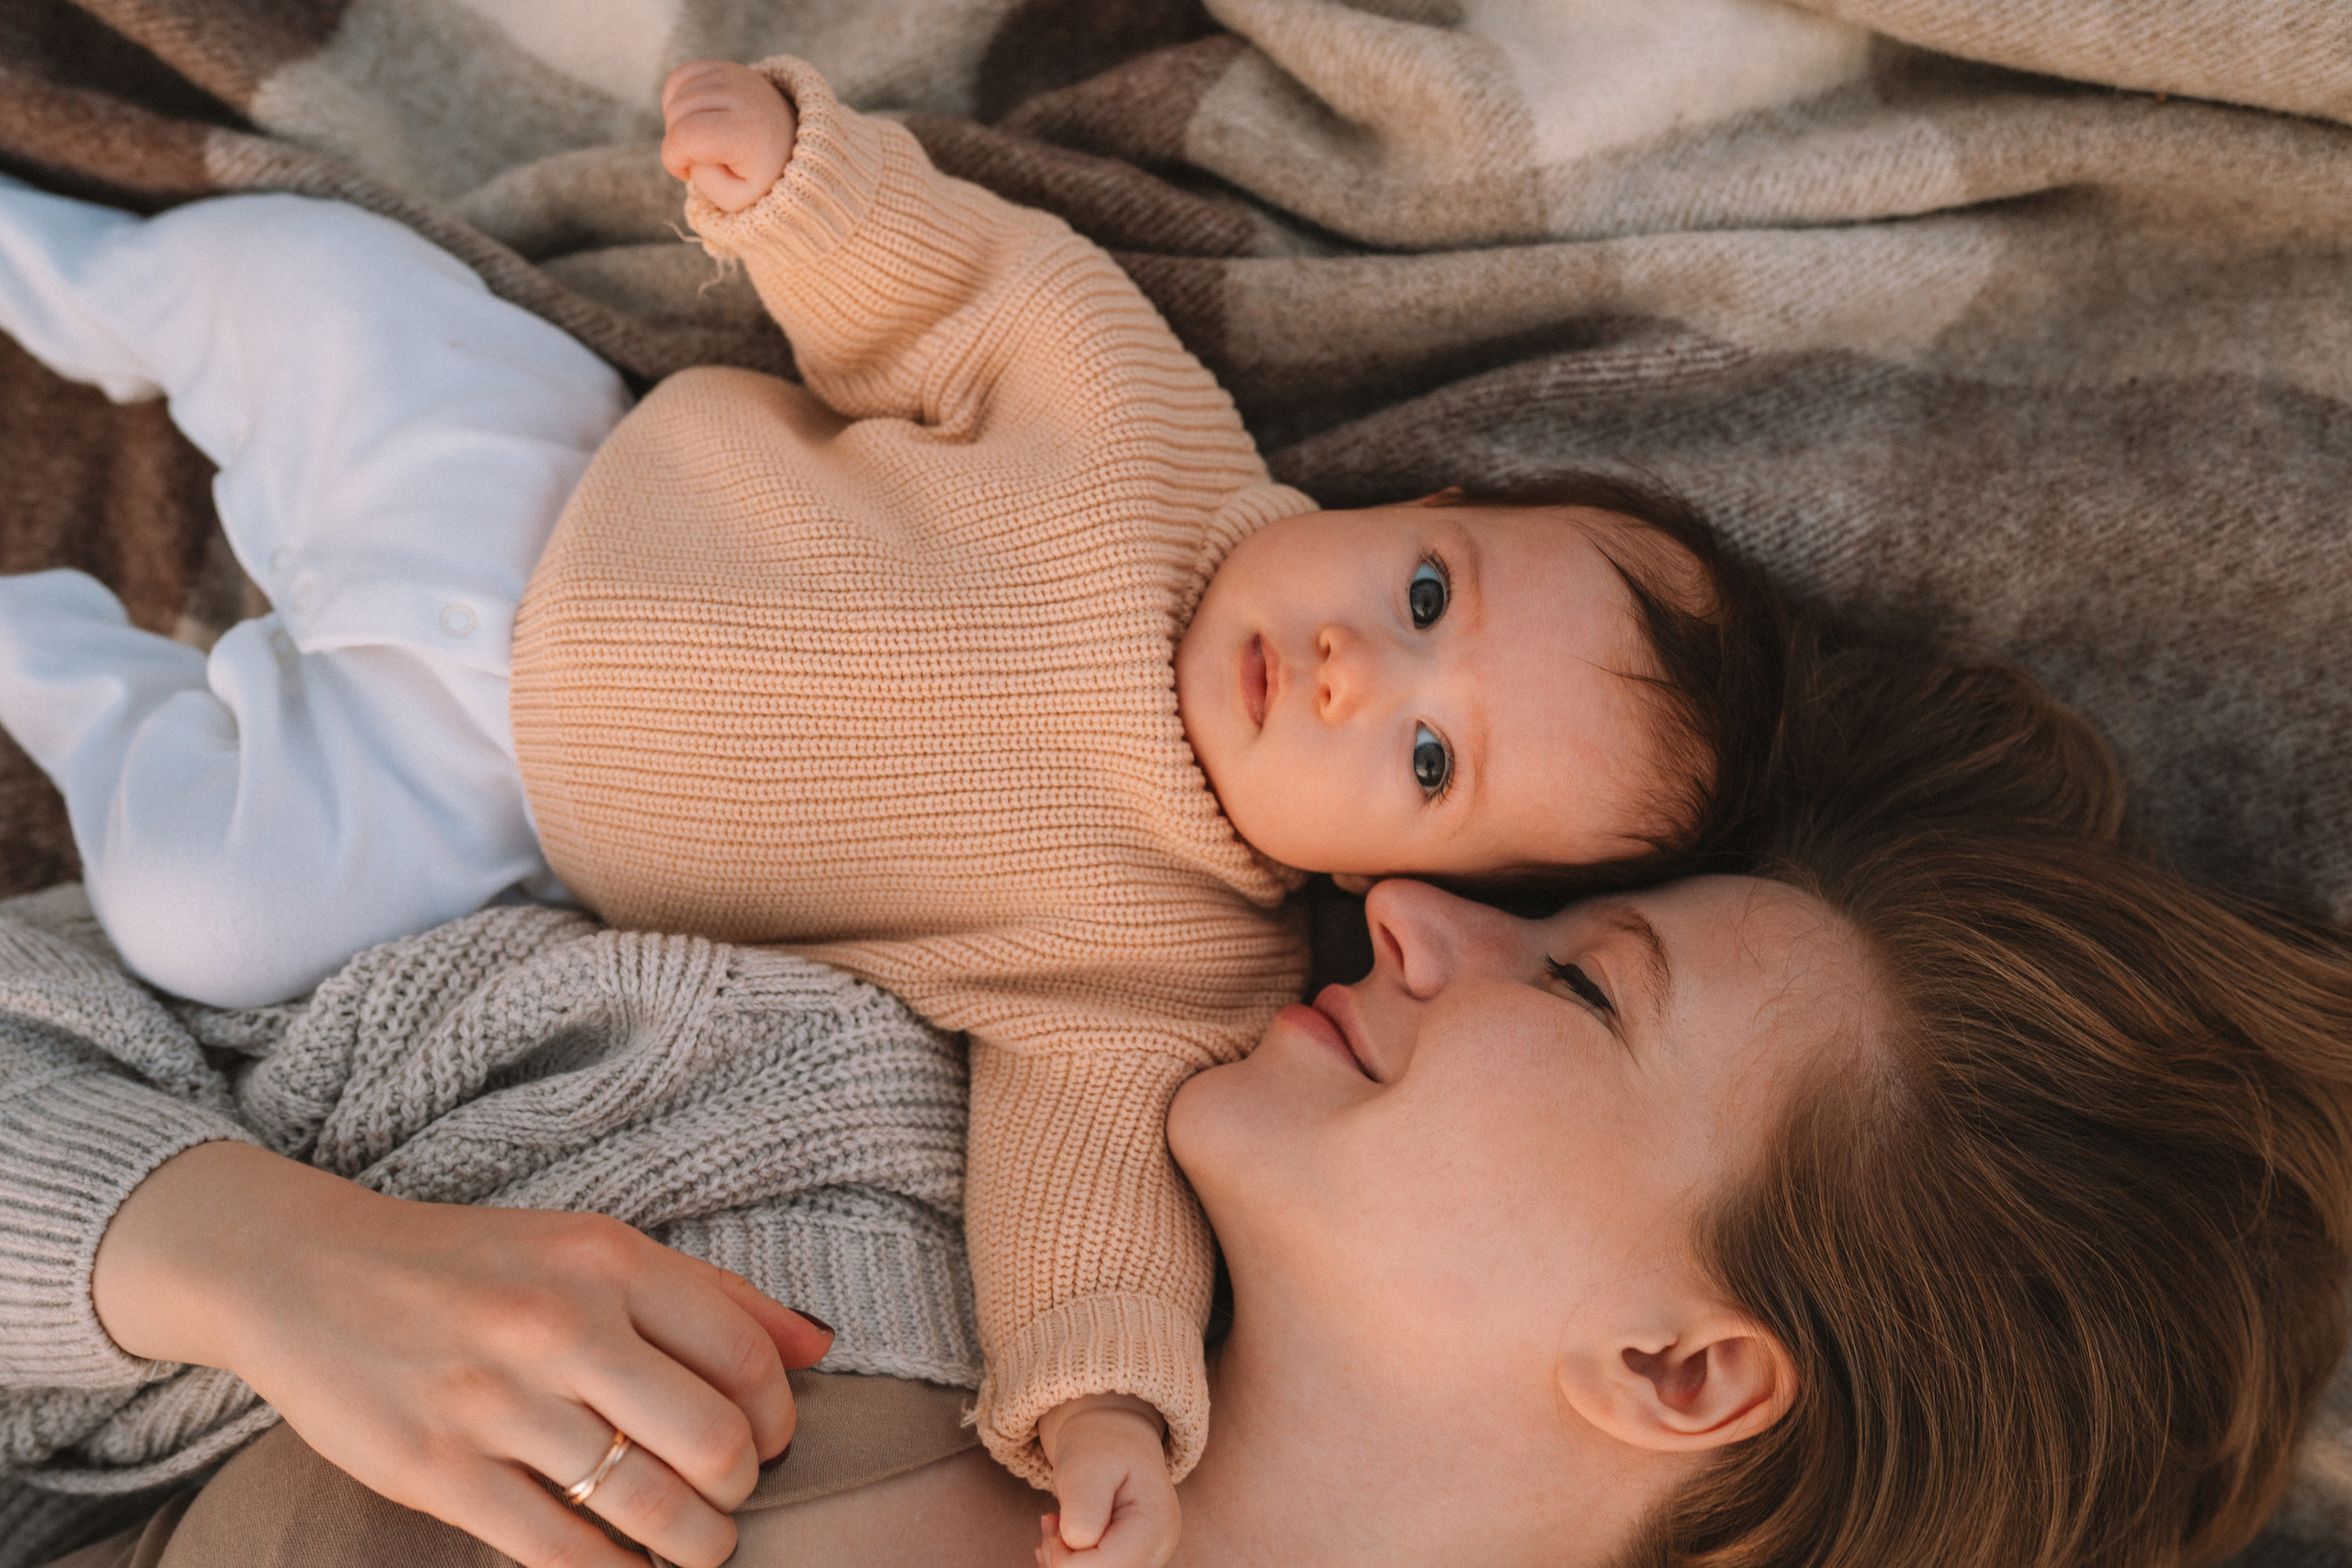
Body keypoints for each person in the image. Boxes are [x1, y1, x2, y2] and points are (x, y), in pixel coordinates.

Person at [0, 53, 1785, 1563]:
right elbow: (974, 292)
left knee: (201, 905)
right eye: (1424, 594)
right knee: (308, 293)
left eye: (1422, 761)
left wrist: (1099, 1396)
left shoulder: (1162, 964)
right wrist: (794, 184)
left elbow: (1077, 1184)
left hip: (470, 794)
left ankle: (60, 655)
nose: (1348, 670)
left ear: (1391, 864)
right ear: (1426, 494)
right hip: (537, 489)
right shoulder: (1154, 442)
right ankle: (56, 260)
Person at [31, 641, 2352, 1568]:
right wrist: (233, 1248)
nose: (1421, 910)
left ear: (1683, 1367)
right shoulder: (781, 1106)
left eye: (1587, 984)